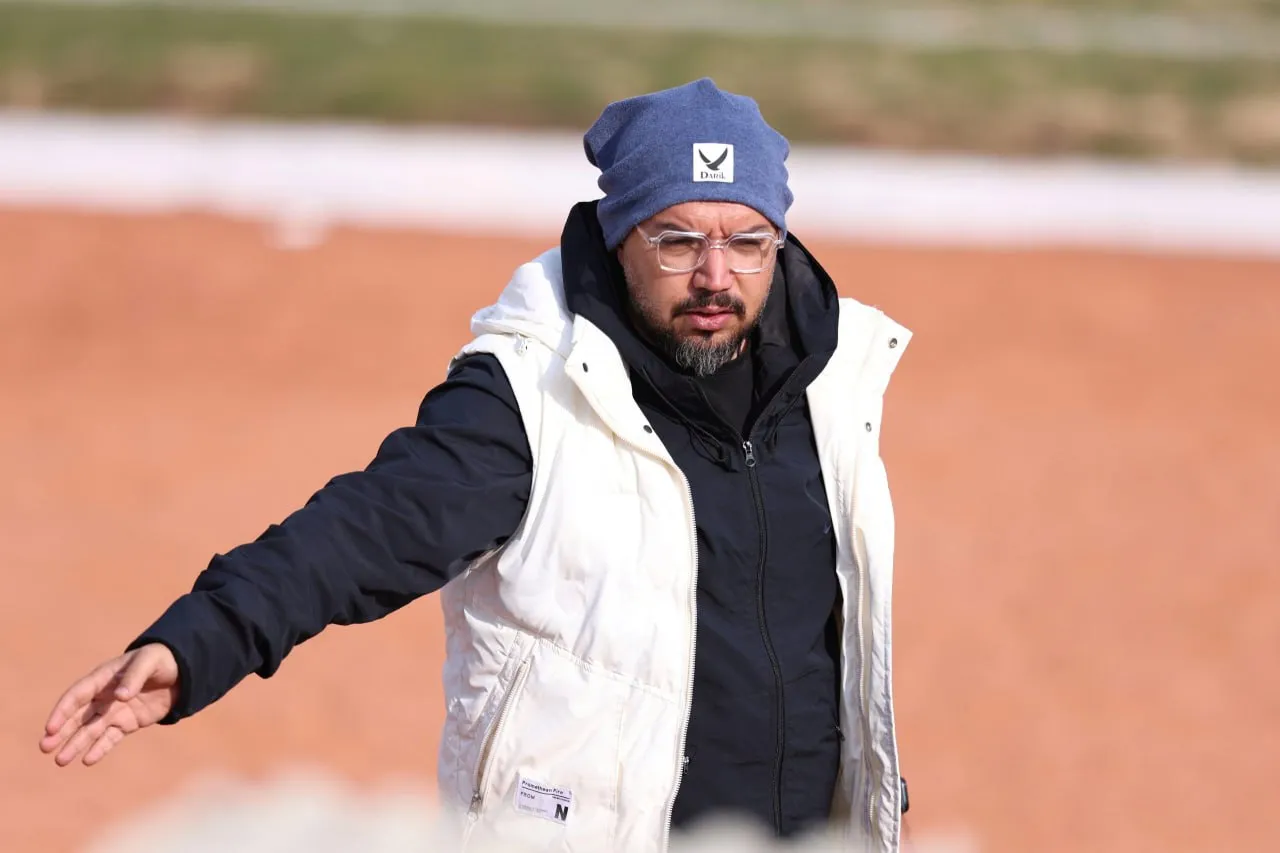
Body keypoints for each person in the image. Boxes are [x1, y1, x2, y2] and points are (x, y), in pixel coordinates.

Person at [39, 78, 913, 852]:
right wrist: (200, 640)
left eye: (747, 241)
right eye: (678, 241)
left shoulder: (833, 387)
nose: (716, 275)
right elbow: (368, 528)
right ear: (620, 239)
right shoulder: (531, 393)